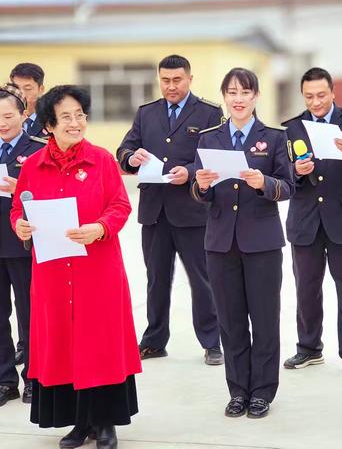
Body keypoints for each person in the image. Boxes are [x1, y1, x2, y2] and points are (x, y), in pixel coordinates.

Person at [12, 85, 141, 449]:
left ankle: (105, 424)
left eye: (80, 115)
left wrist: (100, 228)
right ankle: (77, 423)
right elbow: (19, 209)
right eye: (66, 117)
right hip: (53, 272)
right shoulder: (34, 165)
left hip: (97, 270)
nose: (75, 123)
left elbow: (119, 205)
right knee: (64, 345)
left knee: (100, 343)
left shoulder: (101, 160)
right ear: (49, 124)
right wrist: (19, 224)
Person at [192, 67, 294, 418]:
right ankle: (238, 390)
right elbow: (198, 191)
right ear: (224, 96)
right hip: (220, 243)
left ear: (255, 97)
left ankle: (262, 391)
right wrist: (202, 185)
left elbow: (288, 186)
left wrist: (262, 182)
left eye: (245, 92)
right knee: (231, 320)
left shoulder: (275, 137)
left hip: (262, 243)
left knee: (265, 319)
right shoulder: (210, 137)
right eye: (232, 92)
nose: (238, 99)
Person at [117, 55, 224, 365]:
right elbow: (125, 149)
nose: (171, 86)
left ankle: (212, 341)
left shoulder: (208, 113)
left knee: (202, 278)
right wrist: (130, 158)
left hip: (192, 211)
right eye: (165, 80)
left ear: (190, 78)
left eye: (177, 80)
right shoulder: (146, 113)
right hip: (155, 211)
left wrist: (190, 172)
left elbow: (214, 156)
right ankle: (154, 340)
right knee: (156, 278)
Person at [282, 67, 342, 378]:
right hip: (306, 220)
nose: (316, 102)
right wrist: (297, 171)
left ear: (333, 92)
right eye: (309, 96)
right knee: (306, 289)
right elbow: (283, 175)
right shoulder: (292, 127)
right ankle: (308, 349)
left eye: (321, 95)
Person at [0, 83, 45, 408]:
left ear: (23, 114)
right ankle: (5, 380)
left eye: (8, 116)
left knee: (29, 314)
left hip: (24, 242)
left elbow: (54, 195)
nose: (2, 123)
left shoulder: (38, 149)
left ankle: (33, 377)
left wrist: (23, 190)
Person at [10, 62, 49, 139]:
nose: (22, 94)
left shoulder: (51, 120)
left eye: (28, 89)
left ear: (41, 89)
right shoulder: (4, 118)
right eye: (16, 88)